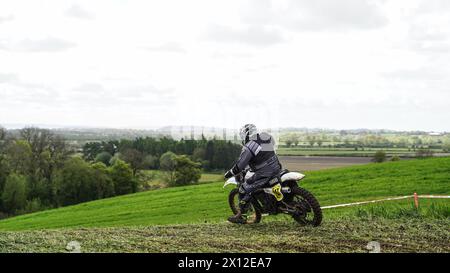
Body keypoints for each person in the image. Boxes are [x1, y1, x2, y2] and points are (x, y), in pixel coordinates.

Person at [224, 124, 282, 224]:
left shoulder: (249, 146)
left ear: (246, 134)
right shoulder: (266, 137)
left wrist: (229, 173)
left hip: (264, 174)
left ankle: (241, 216)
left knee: (244, 189)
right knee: (254, 182)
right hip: (277, 168)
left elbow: (240, 166)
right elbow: (270, 151)